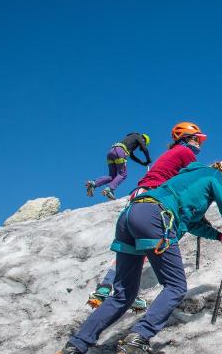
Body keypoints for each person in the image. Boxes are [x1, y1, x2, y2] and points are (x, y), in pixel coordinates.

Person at [53, 161, 222, 354]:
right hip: (156, 217)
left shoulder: (189, 181)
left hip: (131, 216)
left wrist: (220, 236)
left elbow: (192, 223)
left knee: (123, 295)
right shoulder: (214, 176)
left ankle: (73, 350)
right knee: (175, 286)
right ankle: (138, 338)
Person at [86, 122, 209, 312]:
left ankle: (107, 287)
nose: (199, 143)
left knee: (132, 247)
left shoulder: (172, 153)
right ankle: (125, 290)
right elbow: (196, 178)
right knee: (149, 246)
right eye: (197, 138)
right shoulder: (185, 153)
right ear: (186, 138)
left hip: (139, 196)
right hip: (152, 198)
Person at [85, 133, 152, 200]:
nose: (140, 147)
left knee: (112, 176)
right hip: (120, 152)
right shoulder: (138, 136)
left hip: (111, 152)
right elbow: (144, 148)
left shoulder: (131, 139)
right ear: (144, 139)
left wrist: (142, 163)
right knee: (123, 174)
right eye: (145, 143)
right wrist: (148, 159)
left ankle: (93, 183)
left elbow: (132, 156)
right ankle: (109, 189)